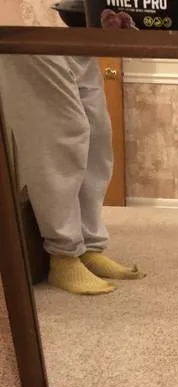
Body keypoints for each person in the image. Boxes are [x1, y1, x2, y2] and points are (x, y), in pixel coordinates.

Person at [0, 54, 145, 295]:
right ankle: (64, 257)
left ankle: (89, 248)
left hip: (74, 39)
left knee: (97, 133)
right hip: (29, 39)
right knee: (60, 135)